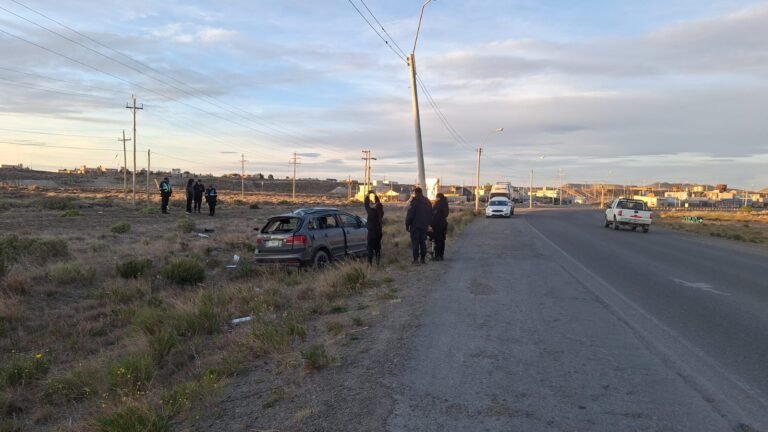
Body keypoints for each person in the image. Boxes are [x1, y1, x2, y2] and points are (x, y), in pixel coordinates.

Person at [405, 187, 432, 264]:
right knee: (422, 242)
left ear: (416, 193)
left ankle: (416, 259)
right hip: (424, 226)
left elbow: (410, 214)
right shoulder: (427, 201)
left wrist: (407, 224)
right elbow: (430, 213)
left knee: (415, 243)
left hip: (415, 226)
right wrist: (429, 224)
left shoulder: (415, 201)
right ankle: (423, 259)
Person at [364, 191, 384, 266]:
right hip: (378, 233)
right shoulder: (381, 212)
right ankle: (378, 264)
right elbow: (378, 203)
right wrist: (375, 196)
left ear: (375, 205)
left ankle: (370, 264)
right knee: (377, 248)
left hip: (372, 233)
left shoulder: (372, 212)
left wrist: (368, 195)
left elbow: (366, 204)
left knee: (370, 249)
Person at [431, 193, 449, 261]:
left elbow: (434, 216)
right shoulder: (445, 204)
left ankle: (437, 255)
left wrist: (431, 224)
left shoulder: (438, 205)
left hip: (437, 225)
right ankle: (441, 255)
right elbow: (446, 214)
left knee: (437, 240)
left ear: (438, 197)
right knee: (442, 240)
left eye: (436, 197)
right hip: (443, 224)